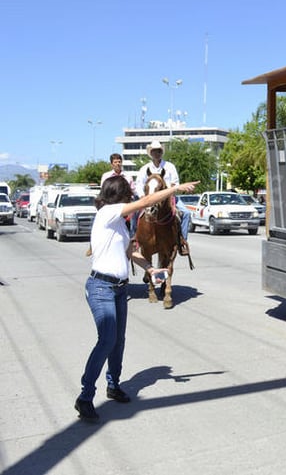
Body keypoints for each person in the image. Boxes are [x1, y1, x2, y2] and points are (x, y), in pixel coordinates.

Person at [75, 175, 198, 422]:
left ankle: (113, 385)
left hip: (120, 289)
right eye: (128, 194)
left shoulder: (119, 222)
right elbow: (148, 201)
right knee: (107, 339)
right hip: (101, 287)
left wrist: (150, 270)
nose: (131, 198)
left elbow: (132, 251)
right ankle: (85, 396)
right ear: (119, 195)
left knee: (118, 340)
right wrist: (174, 189)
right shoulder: (108, 212)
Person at [134, 140, 191, 256]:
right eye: (154, 151)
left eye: (159, 151)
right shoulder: (144, 169)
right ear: (151, 153)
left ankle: (182, 241)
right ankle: (134, 240)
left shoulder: (170, 167)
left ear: (161, 152)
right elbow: (139, 185)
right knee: (134, 214)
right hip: (148, 199)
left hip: (168, 198)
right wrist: (142, 197)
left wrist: (168, 194)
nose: (156, 153)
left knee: (186, 213)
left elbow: (175, 183)